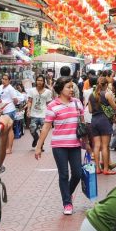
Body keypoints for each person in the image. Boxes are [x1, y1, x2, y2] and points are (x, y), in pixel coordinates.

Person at [34, 77, 86, 215]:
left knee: (77, 173)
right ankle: (67, 203)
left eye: (72, 87)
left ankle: (67, 194)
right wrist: (39, 146)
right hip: (59, 145)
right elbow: (46, 127)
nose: (71, 89)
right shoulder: (52, 105)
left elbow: (83, 125)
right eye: (68, 87)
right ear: (60, 89)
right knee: (64, 174)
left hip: (75, 144)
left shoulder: (77, 103)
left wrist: (88, 144)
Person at [88, 76, 116, 175]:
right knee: (105, 146)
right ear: (105, 85)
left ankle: (97, 169)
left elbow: (90, 110)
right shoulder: (107, 94)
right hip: (104, 120)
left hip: (94, 120)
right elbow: (115, 107)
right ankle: (105, 169)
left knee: (96, 145)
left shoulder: (91, 95)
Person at [26, 76, 53, 150]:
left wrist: (51, 113)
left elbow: (49, 103)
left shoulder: (48, 92)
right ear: (36, 81)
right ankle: (36, 138)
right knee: (32, 130)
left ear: (44, 82)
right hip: (34, 114)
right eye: (38, 80)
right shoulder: (31, 91)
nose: (39, 82)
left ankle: (41, 146)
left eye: (41, 80)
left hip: (44, 114)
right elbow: (30, 101)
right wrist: (28, 110)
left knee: (42, 131)